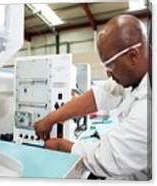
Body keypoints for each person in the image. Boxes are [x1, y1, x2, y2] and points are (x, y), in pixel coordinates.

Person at [34, 14, 151, 180]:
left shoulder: (148, 108)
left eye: (110, 65)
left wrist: (60, 145)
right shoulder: (136, 77)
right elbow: (100, 94)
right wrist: (51, 119)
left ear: (133, 56)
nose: (107, 73)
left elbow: (107, 158)